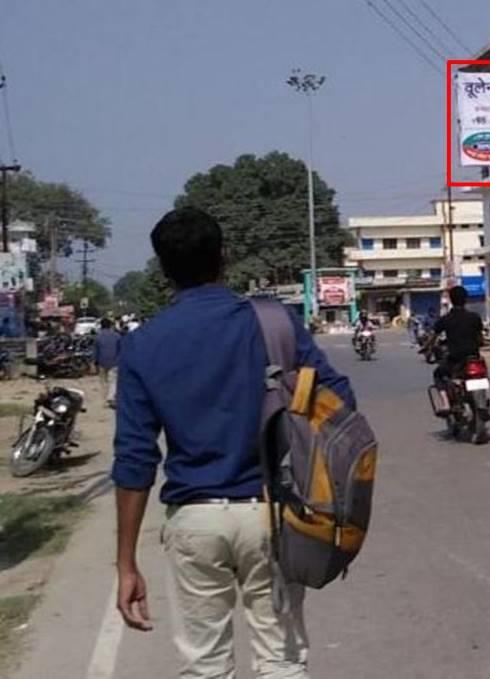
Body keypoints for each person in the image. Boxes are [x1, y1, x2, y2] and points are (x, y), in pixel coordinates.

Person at [111, 207, 355, 679]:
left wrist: (126, 563)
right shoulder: (272, 322)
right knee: (281, 662)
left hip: (195, 520)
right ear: (224, 258)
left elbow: (135, 460)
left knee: (204, 668)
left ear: (163, 270)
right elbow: (339, 403)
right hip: (271, 515)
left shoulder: (143, 344)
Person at [426, 286, 483, 386]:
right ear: (466, 299)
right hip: (474, 357)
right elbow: (480, 338)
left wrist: (427, 347)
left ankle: (445, 402)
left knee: (438, 375)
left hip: (455, 359)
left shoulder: (445, 319)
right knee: (482, 373)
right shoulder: (475, 317)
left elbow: (433, 336)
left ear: (451, 300)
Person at [94, 317, 121, 407]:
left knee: (104, 382)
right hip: (115, 362)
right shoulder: (117, 336)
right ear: (110, 326)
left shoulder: (98, 337)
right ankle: (111, 398)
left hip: (102, 362)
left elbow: (96, 351)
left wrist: (94, 363)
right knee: (113, 381)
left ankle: (105, 400)